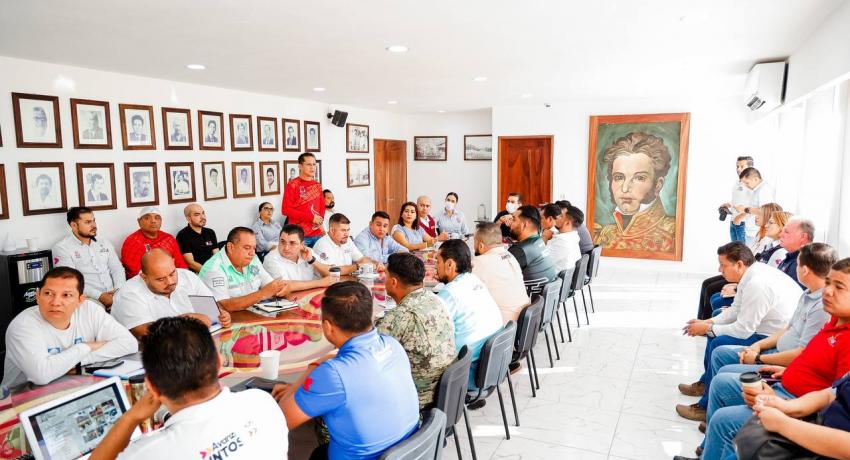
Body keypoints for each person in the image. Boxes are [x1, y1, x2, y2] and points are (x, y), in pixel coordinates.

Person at [690, 257, 850, 460]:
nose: (827, 291)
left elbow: (832, 403)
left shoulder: (839, 329)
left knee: (725, 420)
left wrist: (784, 412)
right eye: (828, 283)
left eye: (839, 287)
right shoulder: (834, 318)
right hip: (790, 391)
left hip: (805, 414)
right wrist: (787, 373)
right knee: (722, 379)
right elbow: (832, 390)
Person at [89, 317, 287, 459]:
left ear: (152, 388)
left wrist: (129, 418)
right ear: (219, 362)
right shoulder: (262, 403)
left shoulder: (149, 453)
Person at [271, 282, 418, 459]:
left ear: (327, 327)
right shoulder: (392, 345)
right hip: (409, 452)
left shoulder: (333, 374)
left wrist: (314, 367)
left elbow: (280, 420)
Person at [688, 243, 835, 419]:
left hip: (774, 345)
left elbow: (744, 330)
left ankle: (709, 405)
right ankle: (708, 389)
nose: (720, 270)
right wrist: (709, 324)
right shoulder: (807, 294)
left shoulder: (759, 284)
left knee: (719, 345)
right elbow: (786, 328)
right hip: (773, 343)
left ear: (804, 270)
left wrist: (757, 357)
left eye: (723, 265)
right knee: (718, 344)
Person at [1, 267, 137, 388]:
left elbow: (129, 344)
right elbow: (41, 375)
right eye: (48, 293)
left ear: (80, 300)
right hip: (20, 398)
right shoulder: (23, 325)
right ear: (37, 296)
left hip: (73, 387)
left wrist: (77, 361)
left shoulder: (90, 310)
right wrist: (85, 347)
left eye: (66, 295)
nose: (55, 302)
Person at [376, 253, 455, 409]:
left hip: (416, 403)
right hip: (444, 396)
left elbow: (366, 354)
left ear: (393, 282)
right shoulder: (435, 299)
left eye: (385, 276)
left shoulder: (401, 317)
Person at [111, 249, 231, 338]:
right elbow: (145, 332)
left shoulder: (188, 277)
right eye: (160, 279)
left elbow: (210, 310)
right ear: (144, 277)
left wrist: (221, 315)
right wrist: (188, 319)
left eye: (172, 273)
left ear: (173, 263)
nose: (170, 282)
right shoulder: (128, 294)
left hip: (196, 343)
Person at [436, 239, 502, 394]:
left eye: (438, 262)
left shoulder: (449, 293)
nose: (436, 267)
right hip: (492, 365)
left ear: (450, 264)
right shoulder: (474, 280)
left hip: (469, 372)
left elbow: (432, 332)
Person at [594, 131, 676, 254]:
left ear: (658, 185)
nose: (625, 188)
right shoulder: (603, 234)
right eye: (619, 177)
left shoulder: (673, 233)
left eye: (639, 178)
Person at [199, 227, 288, 312]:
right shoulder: (214, 269)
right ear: (230, 247)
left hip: (253, 314)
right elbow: (224, 306)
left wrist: (278, 289)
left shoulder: (253, 259)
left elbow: (271, 286)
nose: (252, 253)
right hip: (228, 319)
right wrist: (262, 294)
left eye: (254, 248)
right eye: (247, 248)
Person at [53, 207, 125, 309]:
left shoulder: (104, 242)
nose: (94, 225)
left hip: (114, 293)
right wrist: (99, 296)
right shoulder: (62, 248)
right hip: (88, 298)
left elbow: (117, 268)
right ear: (74, 225)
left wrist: (119, 290)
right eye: (87, 222)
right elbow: (70, 281)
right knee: (96, 311)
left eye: (94, 221)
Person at [472, 223, 529, 324]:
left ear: (480, 246)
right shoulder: (510, 255)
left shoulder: (480, 262)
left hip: (504, 325)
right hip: (524, 319)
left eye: (474, 242)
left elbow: (462, 289)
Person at [121, 207, 187, 279]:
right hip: (144, 281)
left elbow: (180, 264)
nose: (153, 221)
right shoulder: (132, 242)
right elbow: (137, 272)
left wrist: (183, 277)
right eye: (147, 218)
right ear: (139, 221)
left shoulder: (168, 239)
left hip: (172, 277)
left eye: (157, 218)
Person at [263, 224, 333, 291]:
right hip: (288, 299)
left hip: (311, 295)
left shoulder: (307, 252)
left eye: (292, 243)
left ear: (302, 244)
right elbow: (284, 287)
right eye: (283, 242)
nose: (286, 248)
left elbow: (332, 273)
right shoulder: (271, 259)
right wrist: (320, 283)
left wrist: (312, 260)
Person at [508, 205, 557, 296]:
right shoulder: (539, 241)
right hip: (545, 300)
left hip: (530, 301)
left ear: (525, 224)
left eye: (514, 219)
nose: (510, 223)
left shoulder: (520, 250)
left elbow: (497, 274)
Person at [312, 213, 377, 276]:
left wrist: (374, 263)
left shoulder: (347, 240)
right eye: (343, 230)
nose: (346, 234)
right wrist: (357, 266)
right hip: (327, 282)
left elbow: (361, 259)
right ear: (332, 230)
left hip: (344, 280)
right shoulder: (322, 244)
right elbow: (331, 271)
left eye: (348, 230)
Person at [282, 153, 325, 247]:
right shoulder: (292, 185)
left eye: (314, 164)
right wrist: (311, 218)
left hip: (317, 234)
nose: (312, 167)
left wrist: (320, 222)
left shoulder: (317, 185)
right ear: (300, 166)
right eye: (309, 164)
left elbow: (322, 207)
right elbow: (286, 210)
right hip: (300, 235)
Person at [734, 166, 776, 246]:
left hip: (757, 232)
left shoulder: (764, 190)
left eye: (747, 183)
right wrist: (742, 214)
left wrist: (744, 209)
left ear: (756, 179)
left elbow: (766, 211)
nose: (746, 186)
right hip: (752, 232)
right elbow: (755, 208)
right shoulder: (756, 190)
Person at [718, 156, 754, 243]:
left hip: (744, 224)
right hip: (734, 222)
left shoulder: (752, 182)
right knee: (734, 250)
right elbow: (740, 200)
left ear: (750, 167)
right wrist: (729, 204)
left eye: (742, 166)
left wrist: (740, 217)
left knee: (743, 251)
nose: (738, 169)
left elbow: (756, 204)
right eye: (737, 166)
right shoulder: (738, 182)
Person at [176, 203, 218, 272]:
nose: (202, 217)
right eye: (197, 214)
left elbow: (216, 256)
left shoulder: (210, 232)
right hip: (196, 273)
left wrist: (218, 271)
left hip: (213, 270)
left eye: (203, 213)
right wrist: (209, 273)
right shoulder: (182, 235)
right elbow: (191, 263)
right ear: (189, 219)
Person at [776, 218, 815, 288]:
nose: (780, 235)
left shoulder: (801, 264)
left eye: (786, 232)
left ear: (803, 237)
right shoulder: (792, 258)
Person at [546, 202, 583, 273]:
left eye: (561, 216)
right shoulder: (573, 236)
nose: (557, 217)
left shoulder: (562, 242)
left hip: (552, 277)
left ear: (567, 223)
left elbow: (540, 262)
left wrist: (544, 238)